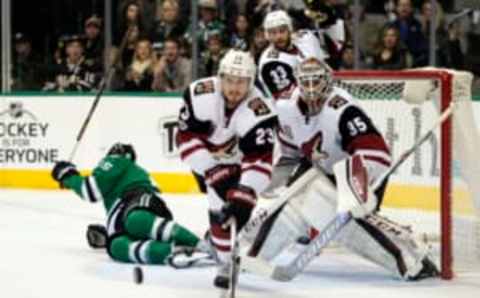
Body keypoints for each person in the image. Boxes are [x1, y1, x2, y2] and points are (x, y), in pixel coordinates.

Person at [259, 57, 439, 280]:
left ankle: (412, 260)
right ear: (297, 83)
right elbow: (289, 154)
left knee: (350, 224)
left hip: (357, 174)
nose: (312, 89)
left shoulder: (343, 108)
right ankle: (252, 254)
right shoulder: (286, 108)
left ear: (329, 81)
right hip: (321, 171)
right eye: (306, 82)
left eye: (318, 82)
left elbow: (378, 155)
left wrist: (352, 188)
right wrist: (276, 184)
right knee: (287, 206)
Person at [175, 49, 277, 289]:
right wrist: (211, 171)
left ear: (251, 83)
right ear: (220, 77)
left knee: (234, 208)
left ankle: (225, 260)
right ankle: (222, 252)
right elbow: (186, 138)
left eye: (241, 82)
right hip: (208, 160)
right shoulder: (200, 94)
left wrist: (245, 192)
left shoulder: (260, 110)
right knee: (217, 206)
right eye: (230, 80)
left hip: (243, 162)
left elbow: (260, 160)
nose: (234, 88)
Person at [51, 143, 210, 265]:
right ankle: (173, 251)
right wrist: (109, 234)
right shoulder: (128, 175)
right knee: (116, 247)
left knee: (136, 220)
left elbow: (90, 190)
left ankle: (201, 245)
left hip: (137, 202)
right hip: (128, 212)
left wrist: (67, 175)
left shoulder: (117, 160)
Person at [257, 9, 343, 100]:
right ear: (267, 35)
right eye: (273, 33)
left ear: (290, 30)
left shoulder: (306, 37)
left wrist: (327, 18)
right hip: (296, 110)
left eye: (282, 31)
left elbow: (336, 46)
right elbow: (289, 99)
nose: (278, 37)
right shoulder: (270, 63)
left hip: (326, 95)